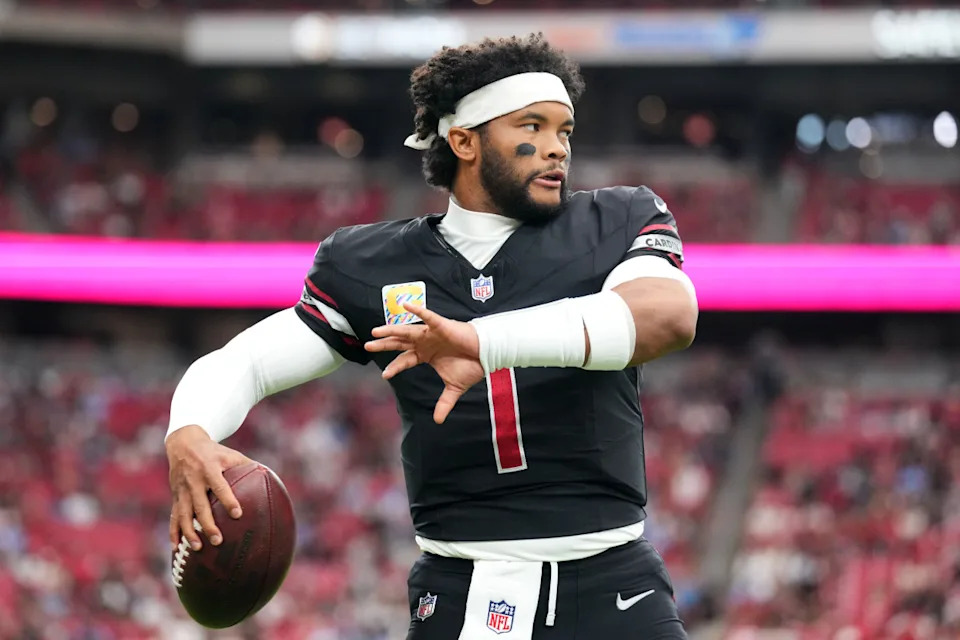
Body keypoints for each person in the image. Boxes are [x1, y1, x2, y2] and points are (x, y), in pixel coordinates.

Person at [165, 33, 698, 640]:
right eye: (533, 126)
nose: (557, 149)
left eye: (565, 131)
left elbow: (667, 316)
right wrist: (188, 429)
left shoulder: (616, 219)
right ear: (464, 140)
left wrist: (483, 342)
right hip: (457, 591)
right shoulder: (371, 262)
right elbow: (251, 362)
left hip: (610, 585)